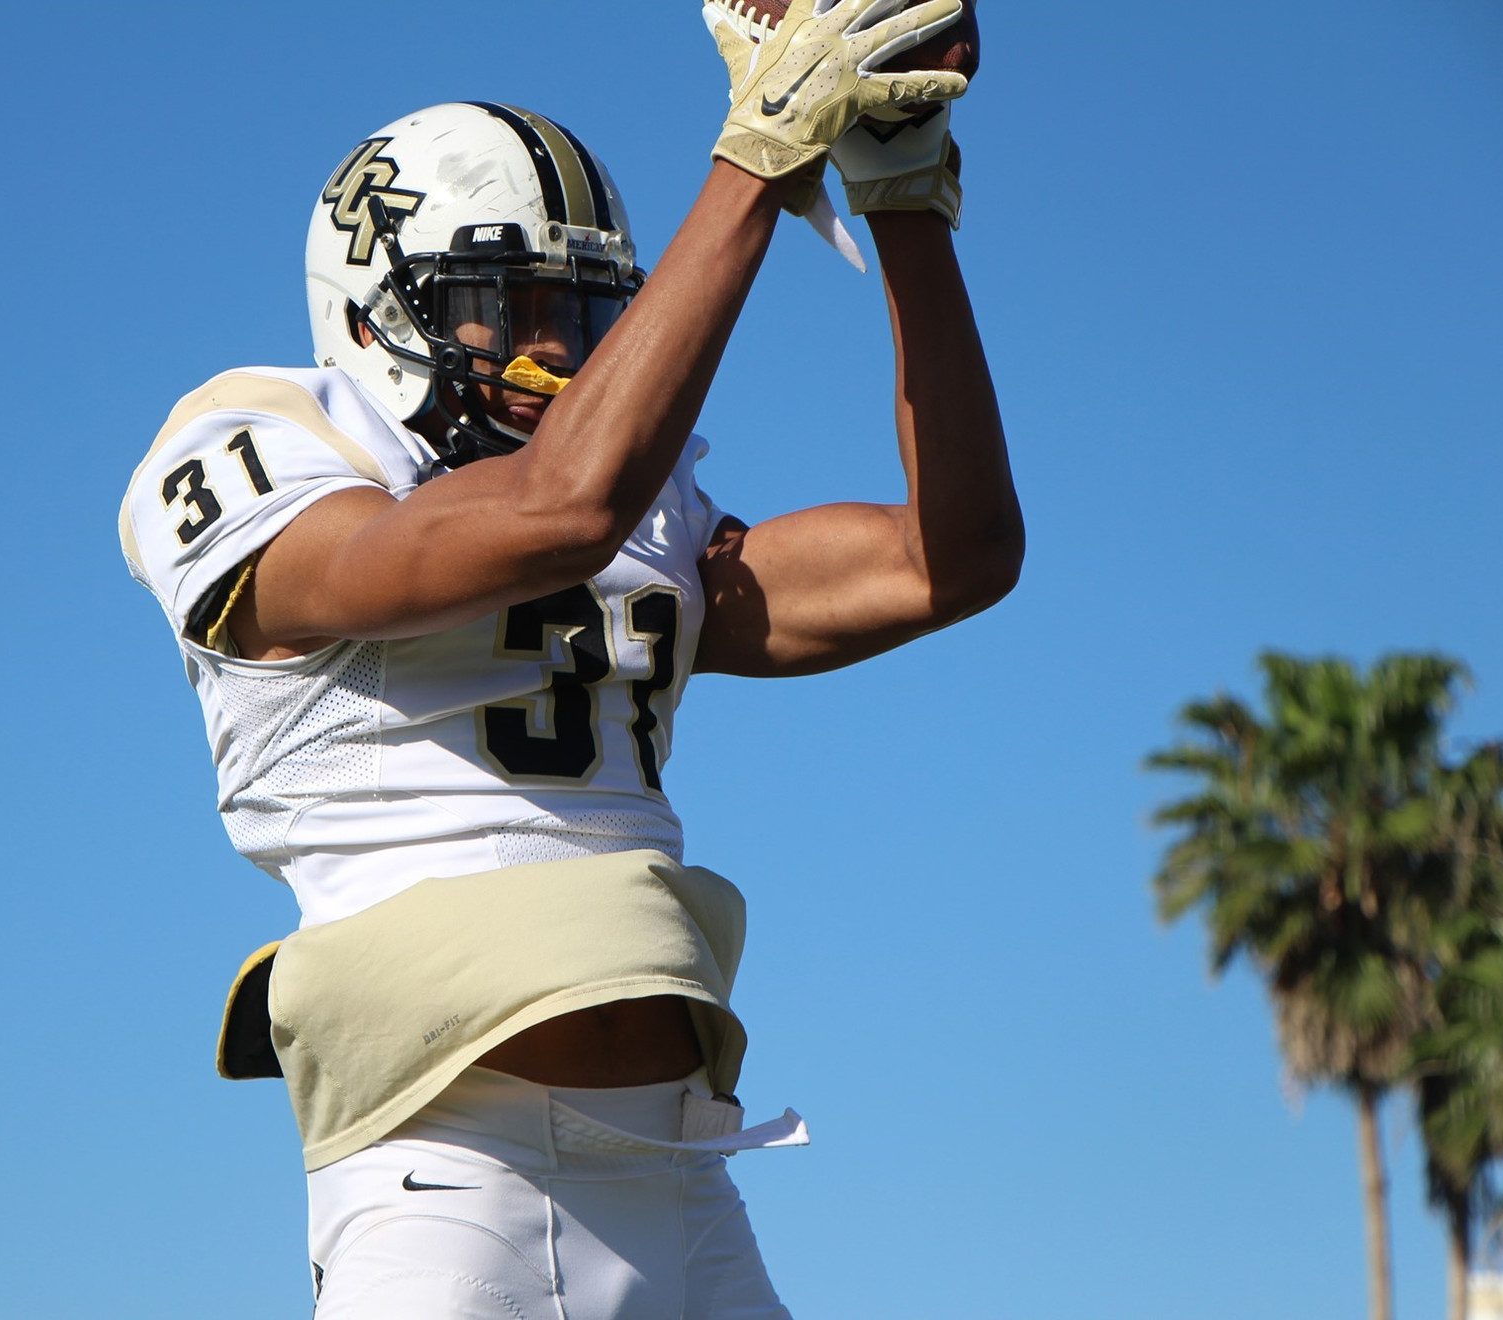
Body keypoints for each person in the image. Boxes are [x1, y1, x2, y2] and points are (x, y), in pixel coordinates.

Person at [118, 2, 1019, 1314]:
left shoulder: (639, 504)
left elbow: (958, 556)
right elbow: (559, 512)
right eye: (509, 308)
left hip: (683, 1178)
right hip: (441, 1178)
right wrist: (761, 153)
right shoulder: (267, 444)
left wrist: (899, 193)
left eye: (580, 309)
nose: (553, 349)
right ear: (375, 315)